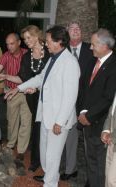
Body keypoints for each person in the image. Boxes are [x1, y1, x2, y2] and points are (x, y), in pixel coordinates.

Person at [5, 25, 80, 187]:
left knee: (53, 157)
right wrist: (18, 88)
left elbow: (70, 97)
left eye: (48, 41)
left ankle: (50, 183)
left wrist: (60, 121)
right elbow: (40, 78)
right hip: (46, 115)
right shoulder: (54, 58)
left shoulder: (70, 63)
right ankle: (49, 179)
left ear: (59, 42)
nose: (45, 44)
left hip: (58, 120)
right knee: (46, 155)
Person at [0, 25, 50, 171]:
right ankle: (36, 160)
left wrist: (37, 87)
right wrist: (5, 76)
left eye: (28, 37)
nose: (27, 41)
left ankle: (44, 163)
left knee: (38, 127)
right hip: (30, 94)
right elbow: (22, 78)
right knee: (36, 127)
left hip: (48, 96)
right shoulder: (28, 56)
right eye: (25, 38)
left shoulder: (50, 51)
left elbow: (51, 77)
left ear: (37, 35)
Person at [78, 28, 116, 187]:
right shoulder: (93, 61)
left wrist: (89, 116)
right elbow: (84, 89)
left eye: (93, 44)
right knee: (91, 161)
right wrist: (82, 112)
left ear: (104, 46)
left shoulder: (114, 65)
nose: (90, 47)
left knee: (100, 165)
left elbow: (108, 98)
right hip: (86, 120)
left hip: (101, 125)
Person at [0, 33, 30, 162]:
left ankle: (21, 150)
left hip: (27, 92)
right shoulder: (5, 56)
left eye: (12, 43)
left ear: (19, 43)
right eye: (7, 44)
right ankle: (11, 145)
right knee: (12, 121)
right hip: (11, 92)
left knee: (26, 122)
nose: (9, 46)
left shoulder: (28, 54)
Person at [60, 21, 96, 181]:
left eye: (78, 28)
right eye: (72, 28)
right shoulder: (61, 50)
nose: (75, 30)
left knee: (89, 142)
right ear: (67, 33)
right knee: (69, 137)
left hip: (86, 103)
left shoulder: (92, 49)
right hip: (66, 102)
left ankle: (92, 177)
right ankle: (70, 169)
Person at [101, 93, 116, 187]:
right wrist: (106, 130)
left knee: (112, 180)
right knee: (107, 177)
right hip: (111, 142)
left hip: (113, 138)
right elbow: (112, 110)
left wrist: (113, 136)